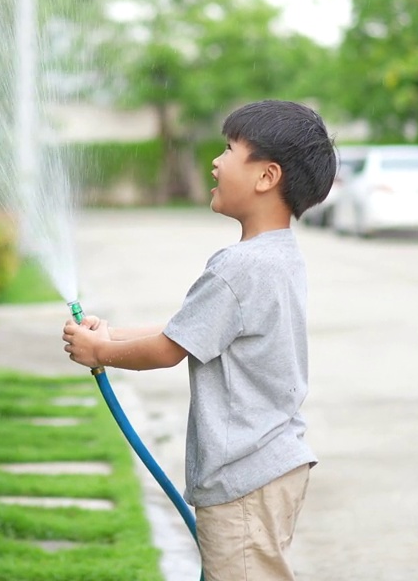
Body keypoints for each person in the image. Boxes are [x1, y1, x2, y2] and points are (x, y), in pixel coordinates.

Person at [61, 99, 337, 581]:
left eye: (229, 149)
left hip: (244, 476)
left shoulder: (240, 267)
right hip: (270, 466)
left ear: (266, 176)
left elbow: (169, 350)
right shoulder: (277, 256)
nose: (215, 160)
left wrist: (102, 351)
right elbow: (188, 331)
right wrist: (113, 334)